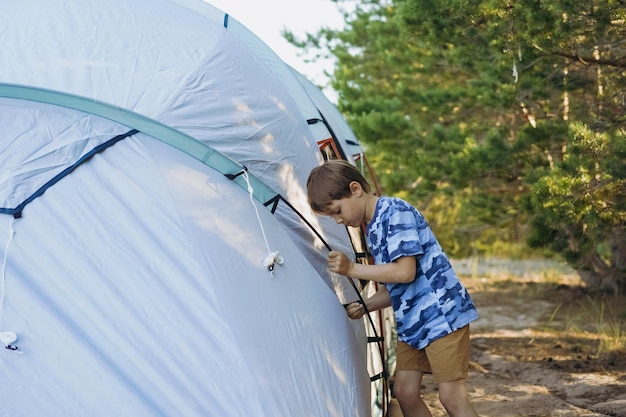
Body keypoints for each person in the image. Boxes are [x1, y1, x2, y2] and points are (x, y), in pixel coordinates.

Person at [307, 159, 480, 417]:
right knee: (405, 392)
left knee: (452, 397)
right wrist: (366, 306)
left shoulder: (394, 212)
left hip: (442, 316)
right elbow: (396, 286)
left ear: (355, 189)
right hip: (414, 321)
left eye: (337, 211)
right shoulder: (373, 227)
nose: (338, 220)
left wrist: (351, 269)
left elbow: (404, 271)